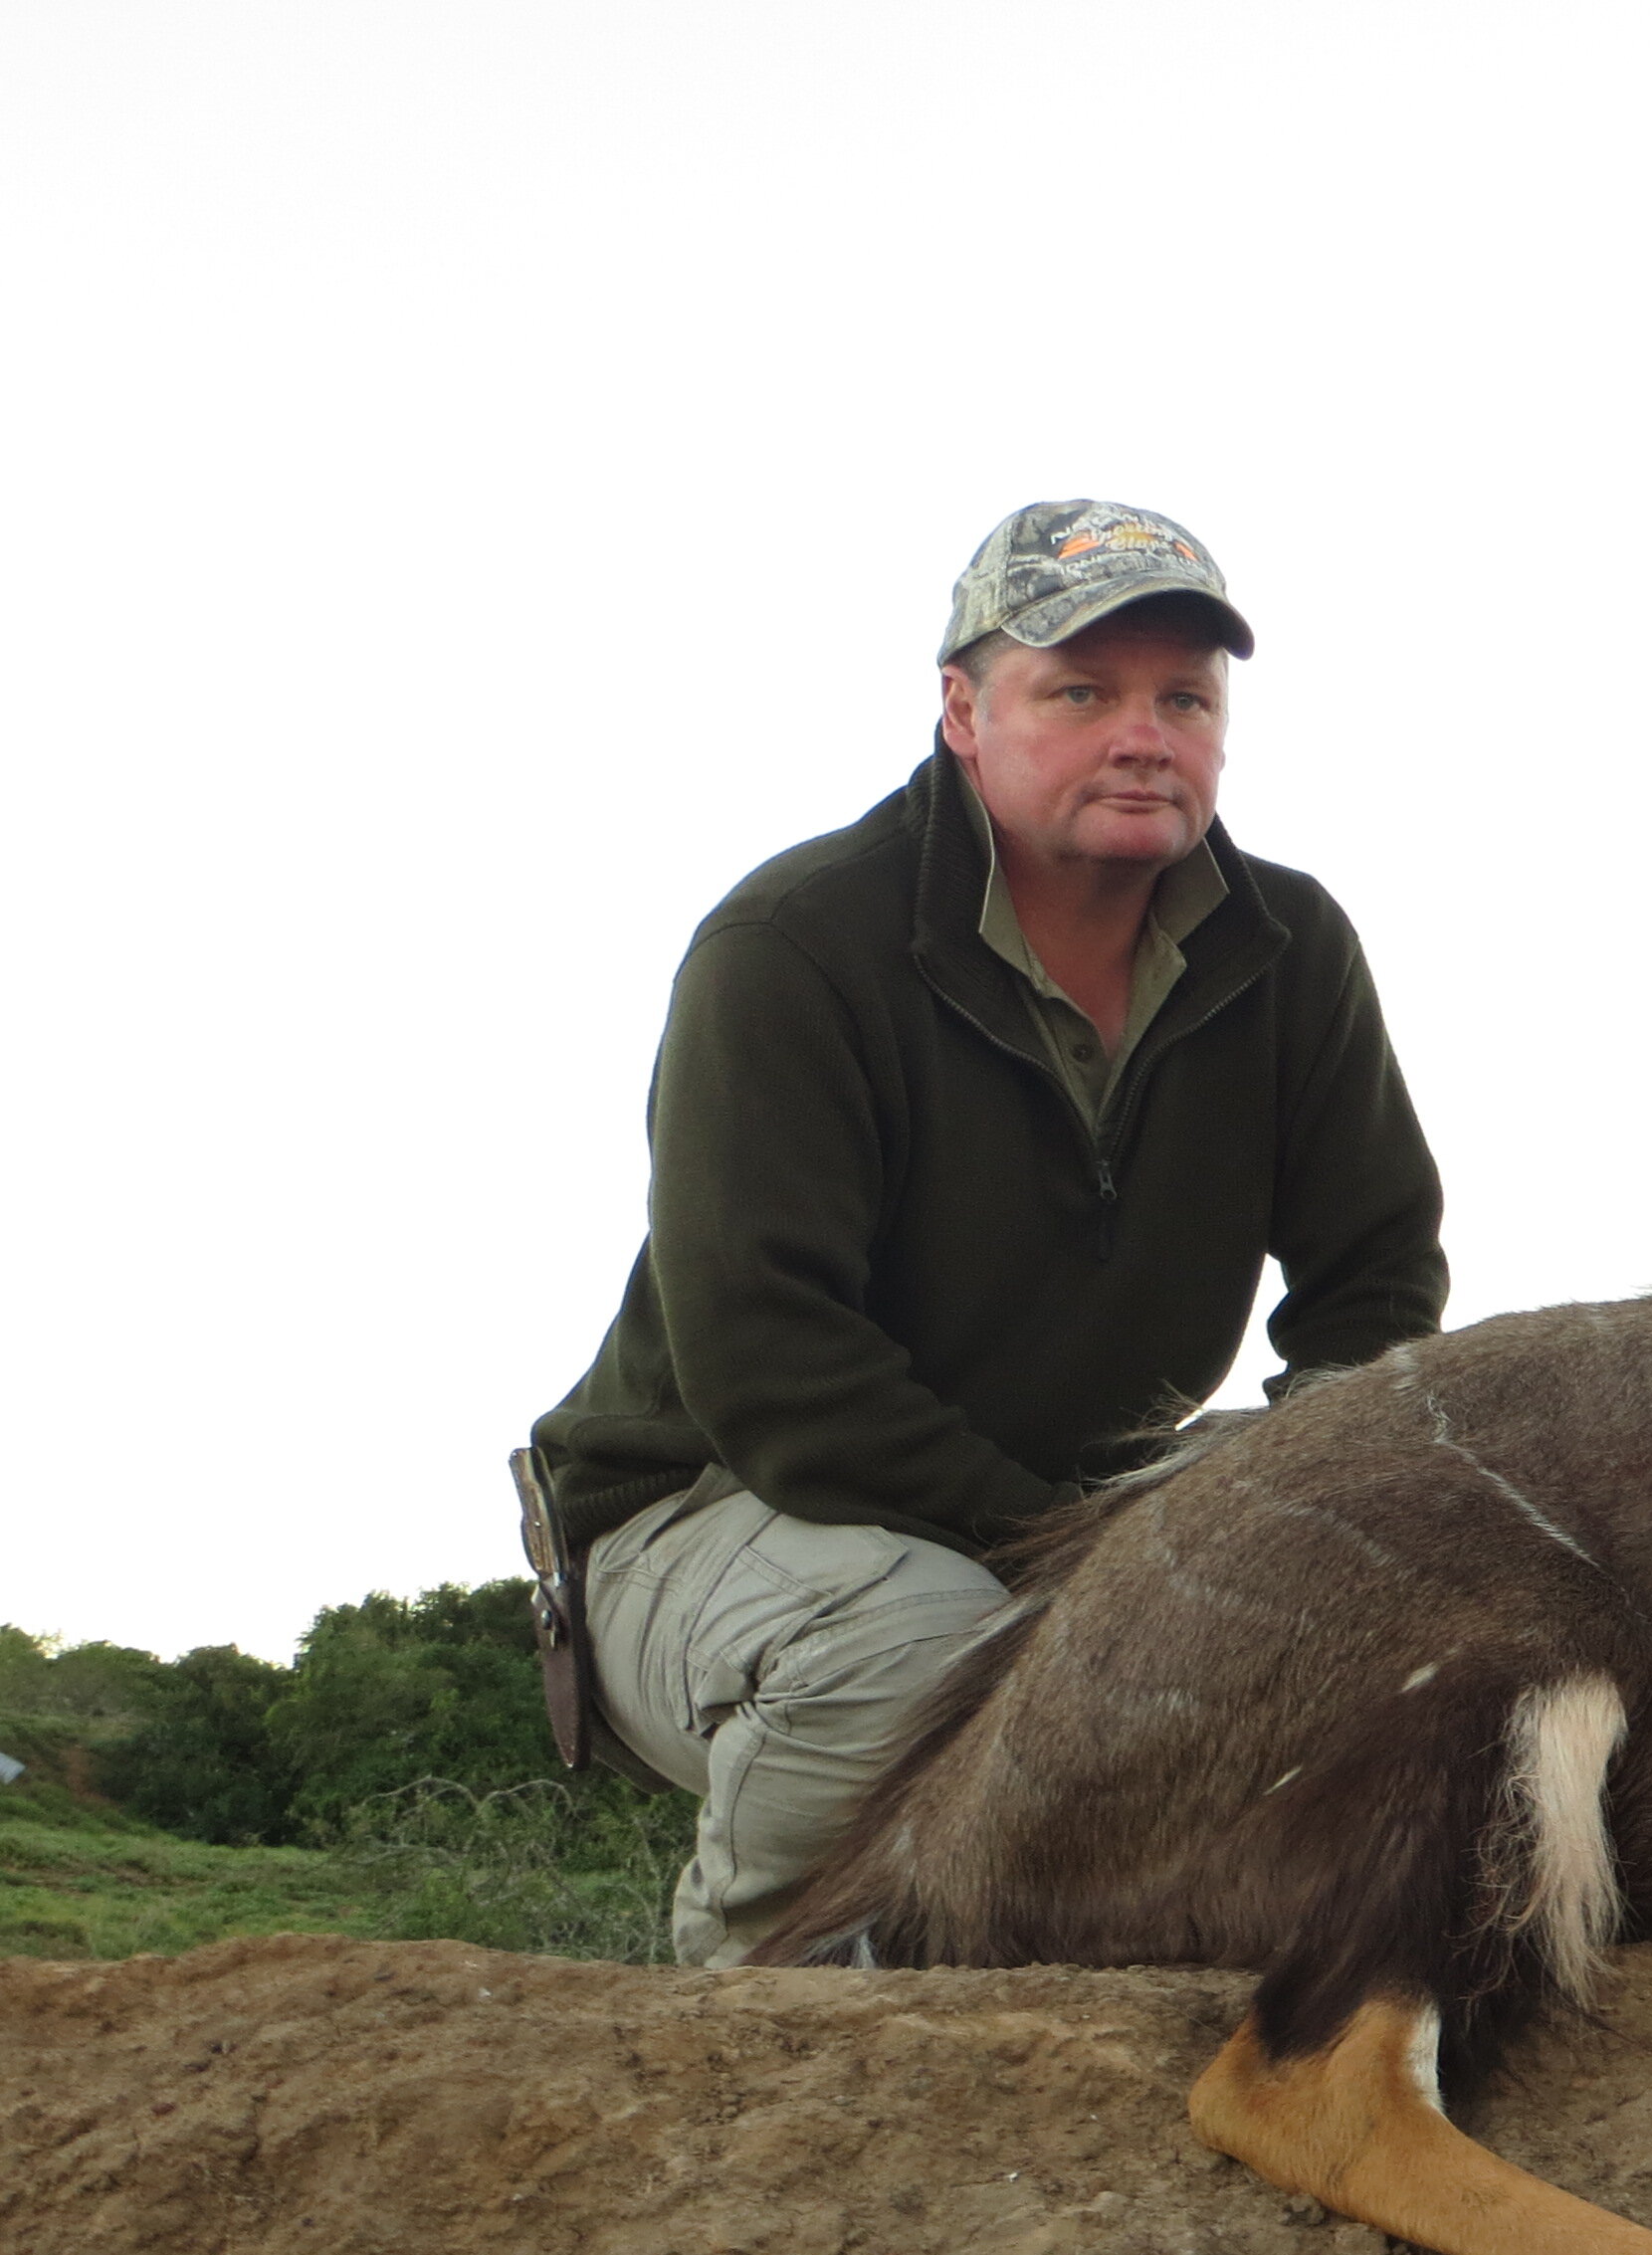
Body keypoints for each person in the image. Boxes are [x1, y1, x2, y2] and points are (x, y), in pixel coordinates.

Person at [528, 501, 1445, 1964]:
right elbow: (773, 1367)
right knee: (912, 1646)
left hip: (1054, 1520)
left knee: (1415, 1631)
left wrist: (1299, 1519)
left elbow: (1378, 1275)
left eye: (1184, 699)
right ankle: (754, 2027)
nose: (1144, 735)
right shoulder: (793, 946)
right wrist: (1087, 1560)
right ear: (963, 710)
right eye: (1080, 691)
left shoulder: (1295, 949)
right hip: (702, 1511)